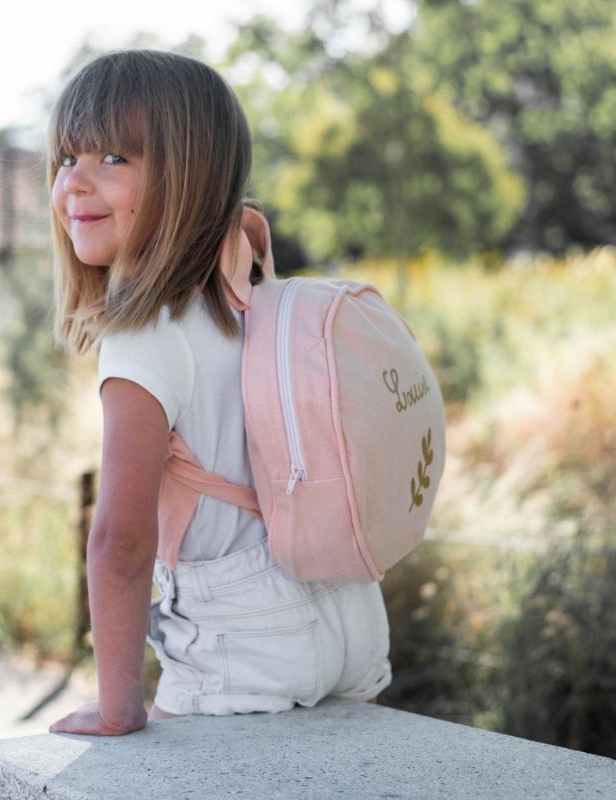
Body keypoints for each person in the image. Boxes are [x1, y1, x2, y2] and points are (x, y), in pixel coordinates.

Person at [46, 50, 392, 737]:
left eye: (113, 157)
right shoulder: (250, 281)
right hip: (352, 607)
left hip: (243, 634)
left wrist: (119, 706)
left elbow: (120, 536)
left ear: (187, 176)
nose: (74, 185)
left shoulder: (145, 332)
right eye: (65, 158)